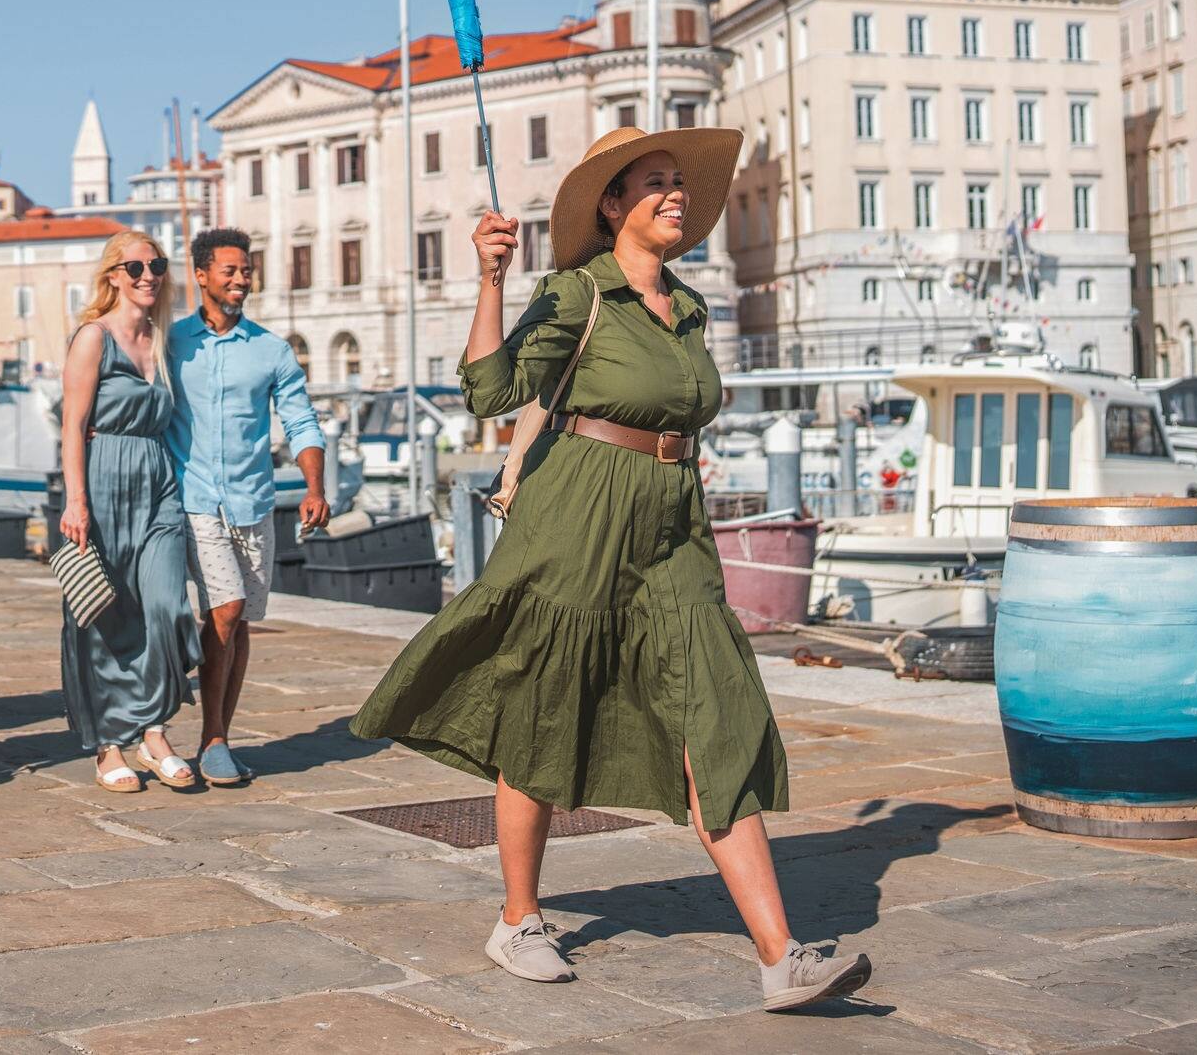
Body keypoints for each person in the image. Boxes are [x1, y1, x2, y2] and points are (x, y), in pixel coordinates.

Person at [351, 126, 873, 1013]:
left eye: (678, 182)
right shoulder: (576, 292)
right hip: (579, 514)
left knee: (715, 708)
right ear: (612, 205)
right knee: (548, 708)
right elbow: (489, 391)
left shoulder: (690, 307)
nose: (675, 195)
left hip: (673, 521)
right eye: (655, 183)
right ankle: (519, 916)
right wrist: (488, 278)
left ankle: (781, 954)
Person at [166, 228, 328, 787]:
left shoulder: (271, 349)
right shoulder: (172, 344)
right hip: (194, 498)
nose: (240, 280)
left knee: (239, 624)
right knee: (228, 610)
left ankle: (219, 739)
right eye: (230, 270)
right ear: (202, 275)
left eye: (246, 271)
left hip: (253, 501)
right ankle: (208, 732)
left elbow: (301, 420)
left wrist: (314, 486)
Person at [58, 231, 203, 792]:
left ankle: (154, 728)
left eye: (157, 264)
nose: (148, 274)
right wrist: (76, 499)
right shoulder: (94, 338)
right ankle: (110, 744)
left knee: (166, 606)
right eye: (135, 266)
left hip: (157, 480)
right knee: (101, 615)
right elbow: (72, 424)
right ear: (113, 275)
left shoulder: (164, 340)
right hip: (100, 479)